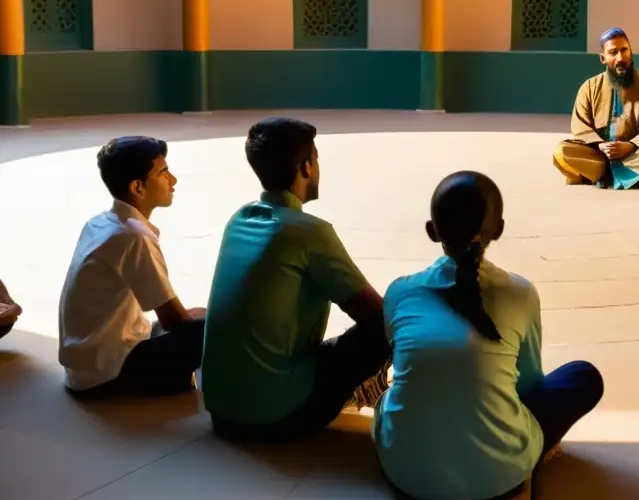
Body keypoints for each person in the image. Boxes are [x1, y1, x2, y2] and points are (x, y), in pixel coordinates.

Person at [373, 171, 604, 500]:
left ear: (432, 230)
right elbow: (528, 385)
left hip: (407, 475)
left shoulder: (400, 291)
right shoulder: (520, 293)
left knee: (393, 396)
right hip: (500, 477)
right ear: (499, 229)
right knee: (582, 377)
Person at [201, 117, 390, 441]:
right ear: (305, 167)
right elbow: (375, 314)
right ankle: (372, 393)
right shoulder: (309, 232)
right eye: (316, 160)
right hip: (276, 418)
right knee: (385, 325)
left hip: (220, 411)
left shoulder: (239, 219)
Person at [58, 137, 205, 397]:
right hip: (107, 374)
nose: (173, 180)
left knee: (203, 317)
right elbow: (173, 320)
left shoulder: (101, 222)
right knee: (217, 328)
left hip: (85, 367)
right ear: (138, 187)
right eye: (163, 172)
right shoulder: (134, 237)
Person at [553, 28, 639, 189]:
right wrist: (600, 145)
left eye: (624, 50)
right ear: (603, 58)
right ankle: (618, 173)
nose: (621, 58)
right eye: (613, 52)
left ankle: (604, 175)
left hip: (636, 154)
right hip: (599, 155)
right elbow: (580, 126)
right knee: (561, 152)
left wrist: (630, 145)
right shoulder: (589, 87)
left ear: (631, 52)